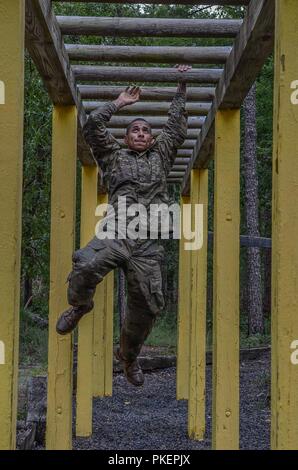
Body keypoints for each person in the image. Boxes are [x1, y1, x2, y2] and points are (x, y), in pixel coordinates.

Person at [56, 64, 191, 386]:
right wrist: (119, 103)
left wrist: (182, 85)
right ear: (126, 137)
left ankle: (128, 357)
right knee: (86, 264)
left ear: (152, 137)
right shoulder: (114, 156)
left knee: (148, 304)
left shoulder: (162, 156)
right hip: (116, 233)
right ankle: (80, 305)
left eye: (146, 130)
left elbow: (176, 126)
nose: (141, 133)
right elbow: (91, 127)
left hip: (147, 242)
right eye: (135, 130)